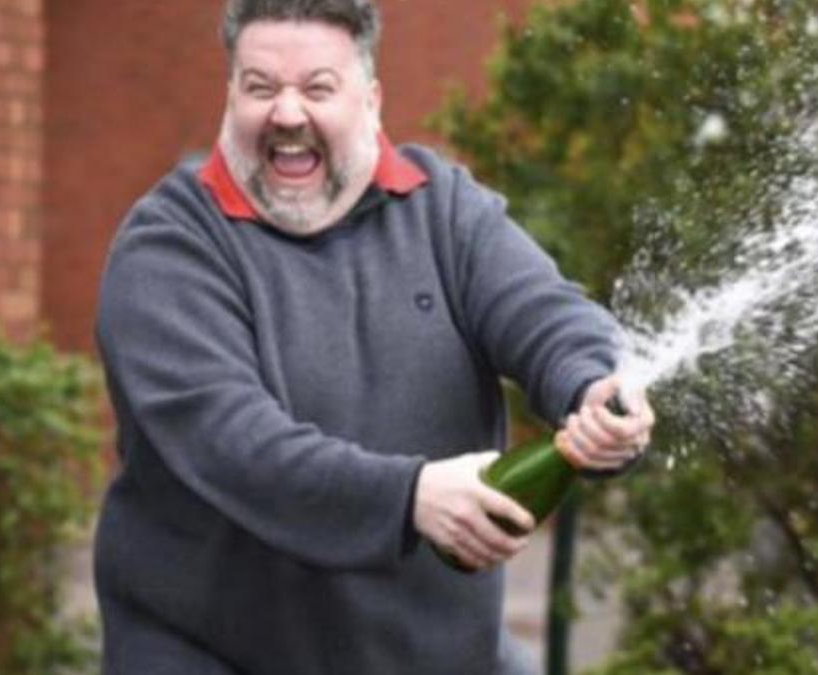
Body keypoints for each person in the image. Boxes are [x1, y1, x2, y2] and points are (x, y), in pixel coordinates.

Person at [92, 0, 655, 673]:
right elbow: (235, 444)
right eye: (261, 86)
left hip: (434, 654)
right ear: (231, 95)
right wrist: (410, 497)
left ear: (371, 100)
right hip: (212, 650)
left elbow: (543, 314)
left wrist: (593, 384)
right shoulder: (168, 247)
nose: (288, 113)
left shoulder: (444, 210)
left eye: (318, 87)